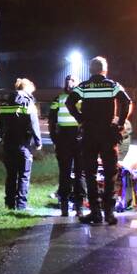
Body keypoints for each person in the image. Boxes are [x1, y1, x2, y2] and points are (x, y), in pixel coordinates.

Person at [68, 56, 132, 225]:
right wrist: (119, 123)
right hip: (108, 134)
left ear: (90, 70)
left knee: (90, 173)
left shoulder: (84, 87)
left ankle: (95, 212)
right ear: (105, 70)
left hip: (89, 134)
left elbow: (69, 102)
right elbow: (126, 101)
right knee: (110, 173)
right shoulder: (112, 85)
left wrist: (81, 119)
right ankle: (109, 213)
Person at [0, 77, 43, 210]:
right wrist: (38, 142)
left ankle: (9, 204)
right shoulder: (28, 103)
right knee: (24, 174)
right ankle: (22, 205)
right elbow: (34, 124)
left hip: (8, 144)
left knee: (11, 175)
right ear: (27, 88)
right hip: (23, 144)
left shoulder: (5, 103)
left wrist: (3, 137)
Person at [49, 75, 84, 217]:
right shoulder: (80, 98)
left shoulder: (59, 98)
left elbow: (51, 119)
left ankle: (67, 205)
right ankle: (77, 206)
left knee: (67, 173)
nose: (70, 83)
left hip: (68, 138)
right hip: (75, 138)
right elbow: (52, 119)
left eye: (72, 81)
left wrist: (54, 138)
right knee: (76, 173)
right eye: (68, 81)